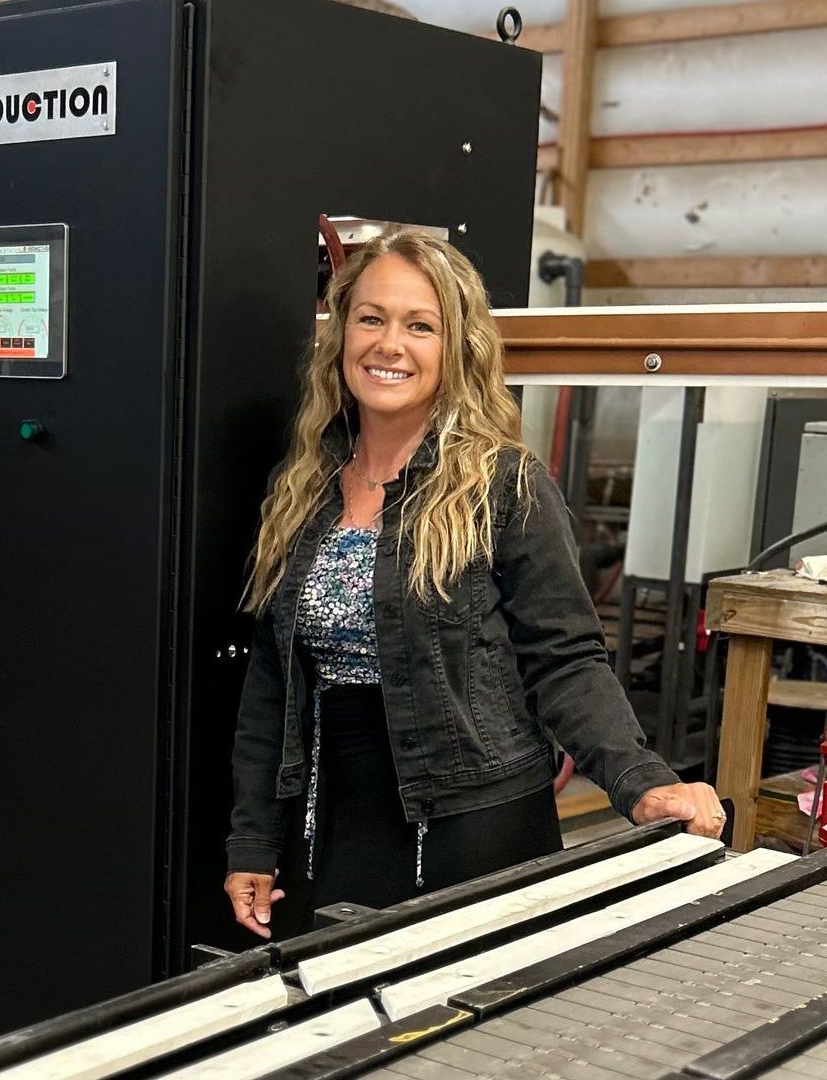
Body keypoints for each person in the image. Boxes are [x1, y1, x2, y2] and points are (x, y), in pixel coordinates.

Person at [223, 229, 724, 940]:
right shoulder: (303, 489)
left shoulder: (505, 486)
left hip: (476, 829)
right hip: (333, 824)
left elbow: (567, 660)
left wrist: (640, 781)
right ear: (341, 337)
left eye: (419, 325)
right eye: (371, 319)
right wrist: (253, 839)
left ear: (454, 349)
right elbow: (271, 684)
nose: (389, 345)